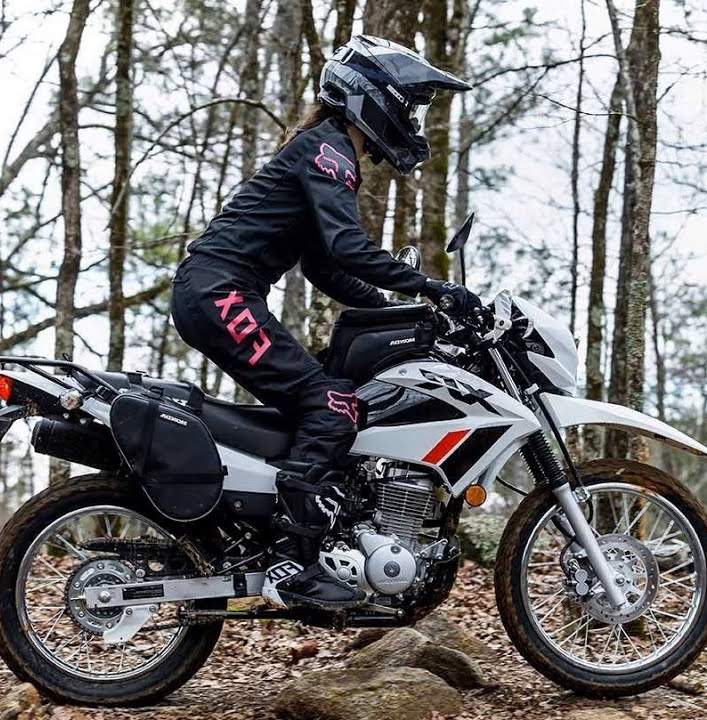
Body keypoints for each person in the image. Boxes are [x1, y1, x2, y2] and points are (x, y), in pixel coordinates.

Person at [170, 35, 481, 610]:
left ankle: (282, 529)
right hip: (219, 291)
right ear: (373, 96)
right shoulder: (329, 150)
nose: (410, 119)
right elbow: (349, 247)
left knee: (325, 401)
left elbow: (324, 265)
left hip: (214, 291)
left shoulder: (325, 150)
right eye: (407, 104)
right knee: (332, 405)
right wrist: (434, 289)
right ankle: (293, 559)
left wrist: (395, 309)